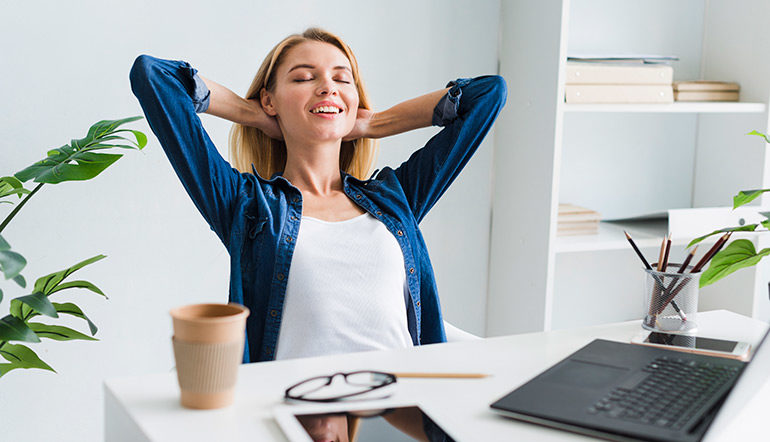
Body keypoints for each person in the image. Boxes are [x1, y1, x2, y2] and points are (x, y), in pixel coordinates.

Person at [129, 27, 504, 441]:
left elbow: (487, 95)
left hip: (401, 405)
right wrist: (254, 114)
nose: (327, 86)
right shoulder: (249, 207)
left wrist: (375, 123)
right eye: (304, 77)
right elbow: (154, 77)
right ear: (270, 99)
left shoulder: (397, 199)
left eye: (342, 79)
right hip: (292, 411)